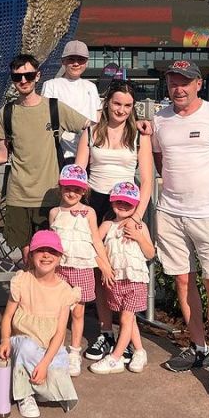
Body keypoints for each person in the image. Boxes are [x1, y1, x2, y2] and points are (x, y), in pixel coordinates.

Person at [152, 60, 209, 400]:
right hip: (172, 214)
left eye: (185, 82)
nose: (178, 88)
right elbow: (161, 163)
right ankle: (199, 346)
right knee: (183, 281)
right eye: (173, 82)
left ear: (198, 84)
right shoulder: (160, 120)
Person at [0, 54, 90, 263]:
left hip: (49, 196)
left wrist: (79, 166)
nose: (23, 81)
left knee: (48, 257)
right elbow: (2, 155)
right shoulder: (7, 112)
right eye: (17, 76)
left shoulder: (53, 107)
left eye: (28, 75)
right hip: (18, 196)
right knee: (28, 259)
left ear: (37, 76)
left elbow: (89, 127)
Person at [74, 79, 153, 361]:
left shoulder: (139, 135)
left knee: (125, 272)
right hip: (95, 202)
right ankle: (106, 332)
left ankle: (127, 336)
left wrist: (137, 218)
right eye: (117, 103)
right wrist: (78, 207)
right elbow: (79, 170)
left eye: (128, 105)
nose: (121, 110)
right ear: (108, 102)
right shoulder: (92, 130)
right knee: (100, 270)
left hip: (125, 207)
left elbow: (146, 180)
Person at [0, 230, 80, 418]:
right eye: (40, 250)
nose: (46, 255)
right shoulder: (22, 281)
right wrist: (4, 340)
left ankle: (38, 385)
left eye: (52, 251)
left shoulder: (64, 291)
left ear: (59, 257)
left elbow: (59, 334)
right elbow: (8, 316)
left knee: (59, 364)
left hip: (48, 345)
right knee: (26, 348)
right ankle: (25, 395)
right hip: (23, 341)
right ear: (31, 255)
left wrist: (44, 364)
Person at [48, 164, 113, 377]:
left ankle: (74, 352)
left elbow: (95, 238)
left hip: (82, 268)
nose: (71, 193)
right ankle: (55, 349)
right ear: (60, 188)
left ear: (84, 191)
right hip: (60, 269)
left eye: (76, 189)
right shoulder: (54, 212)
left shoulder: (89, 212)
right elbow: (52, 243)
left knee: (78, 311)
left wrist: (104, 264)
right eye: (67, 188)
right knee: (58, 311)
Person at [89, 181, 155, 375]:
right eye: (119, 202)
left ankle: (115, 357)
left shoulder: (139, 226)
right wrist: (104, 266)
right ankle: (140, 351)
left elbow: (150, 253)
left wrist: (139, 237)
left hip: (135, 279)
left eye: (129, 203)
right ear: (112, 202)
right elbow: (92, 244)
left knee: (127, 317)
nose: (124, 206)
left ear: (136, 205)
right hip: (116, 279)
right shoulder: (108, 225)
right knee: (129, 318)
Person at [41, 40, 101, 161]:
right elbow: (44, 116)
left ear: (86, 63)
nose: (76, 63)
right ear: (63, 61)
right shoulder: (51, 85)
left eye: (81, 60)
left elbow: (97, 115)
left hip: (88, 151)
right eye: (71, 59)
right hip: (60, 152)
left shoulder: (91, 87)